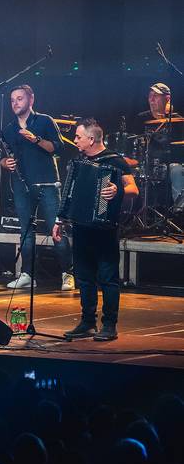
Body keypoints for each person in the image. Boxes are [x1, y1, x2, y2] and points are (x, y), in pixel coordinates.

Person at [53, 119, 139, 341]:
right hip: (81, 226)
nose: (75, 140)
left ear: (91, 139)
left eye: (78, 137)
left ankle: (109, 324)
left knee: (108, 277)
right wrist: (59, 220)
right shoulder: (78, 162)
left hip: (105, 227)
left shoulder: (115, 162)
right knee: (84, 277)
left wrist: (116, 189)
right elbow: (69, 195)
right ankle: (87, 322)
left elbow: (133, 189)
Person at [0, 84, 73, 291]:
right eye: (12, 100)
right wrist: (6, 163)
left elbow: (58, 148)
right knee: (25, 230)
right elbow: (2, 159)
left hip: (48, 183)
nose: (15, 103)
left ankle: (68, 273)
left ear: (31, 100)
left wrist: (36, 139)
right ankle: (27, 274)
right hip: (22, 185)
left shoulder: (44, 121)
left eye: (19, 99)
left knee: (56, 228)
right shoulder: (9, 129)